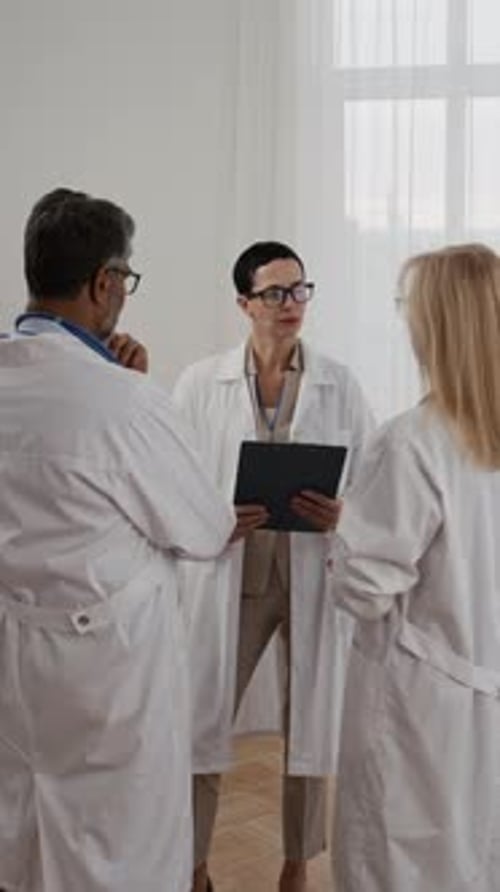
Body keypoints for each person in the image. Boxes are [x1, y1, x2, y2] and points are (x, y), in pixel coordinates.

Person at [0, 188, 235, 892]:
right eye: (124, 282)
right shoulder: (126, 402)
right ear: (104, 283)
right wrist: (131, 391)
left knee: (24, 826)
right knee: (118, 844)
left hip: (16, 656)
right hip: (107, 670)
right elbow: (205, 528)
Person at [173, 241, 374, 892]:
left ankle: (296, 863)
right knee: (198, 714)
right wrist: (212, 518)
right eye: (275, 294)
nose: (291, 306)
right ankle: (195, 862)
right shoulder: (201, 383)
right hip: (232, 571)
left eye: (299, 291)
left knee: (308, 723)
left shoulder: (339, 382)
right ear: (244, 303)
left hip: (311, 566)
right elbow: (173, 482)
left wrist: (344, 513)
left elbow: (371, 477)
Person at [329, 243, 500, 892]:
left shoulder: (411, 441)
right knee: (474, 855)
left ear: (435, 323)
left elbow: (366, 588)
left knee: (396, 857)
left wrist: (345, 534)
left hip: (418, 702)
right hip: (482, 685)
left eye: (407, 308)